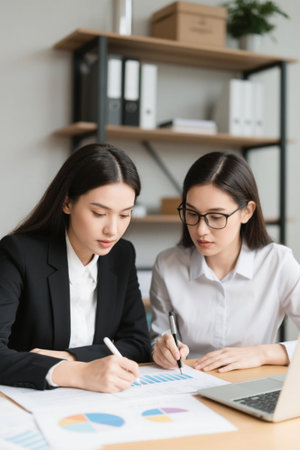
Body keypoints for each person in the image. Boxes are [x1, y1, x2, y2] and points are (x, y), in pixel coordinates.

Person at [0, 143, 151, 392]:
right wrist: (76, 373)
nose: (112, 230)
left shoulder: (122, 255)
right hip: (29, 400)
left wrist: (71, 358)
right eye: (99, 213)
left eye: (125, 215)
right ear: (67, 202)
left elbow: (138, 343)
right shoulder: (18, 253)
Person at [150, 151, 300, 373]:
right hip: (188, 384)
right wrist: (162, 349)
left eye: (216, 217)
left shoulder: (277, 262)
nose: (201, 230)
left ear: (246, 212)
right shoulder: (167, 264)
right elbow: (159, 338)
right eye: (192, 214)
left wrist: (261, 353)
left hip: (250, 383)